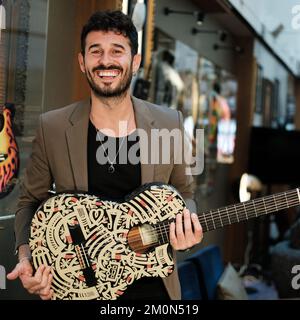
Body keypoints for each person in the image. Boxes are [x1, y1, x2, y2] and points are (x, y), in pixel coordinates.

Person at [7, 10, 203, 300]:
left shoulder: (168, 122)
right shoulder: (54, 127)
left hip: (154, 293)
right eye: (95, 51)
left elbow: (184, 193)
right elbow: (29, 202)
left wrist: (188, 227)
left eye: (117, 51)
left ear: (135, 62)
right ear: (82, 62)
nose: (106, 61)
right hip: (79, 290)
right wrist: (27, 257)